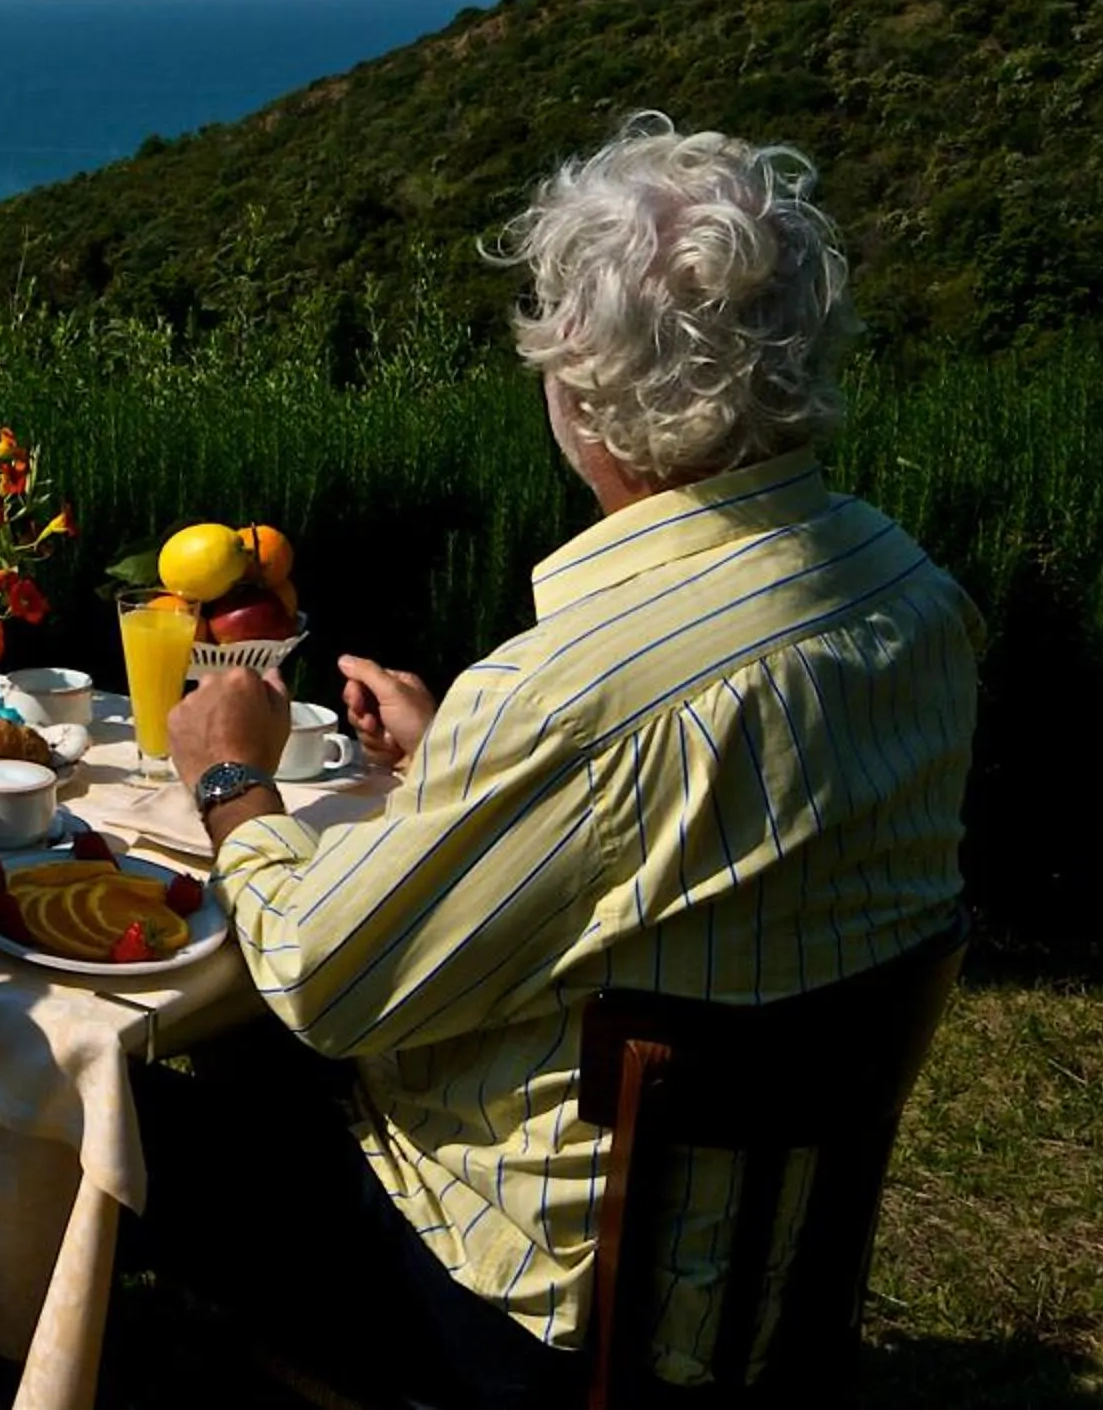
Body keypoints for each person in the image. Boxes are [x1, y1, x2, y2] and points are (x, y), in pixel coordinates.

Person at [154, 115, 980, 1406]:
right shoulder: (913, 595)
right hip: (782, 1275)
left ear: (579, 385)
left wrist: (231, 779)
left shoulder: (575, 697)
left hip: (568, 1329)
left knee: (170, 1124)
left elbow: (323, 976)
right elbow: (723, 845)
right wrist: (464, 768)